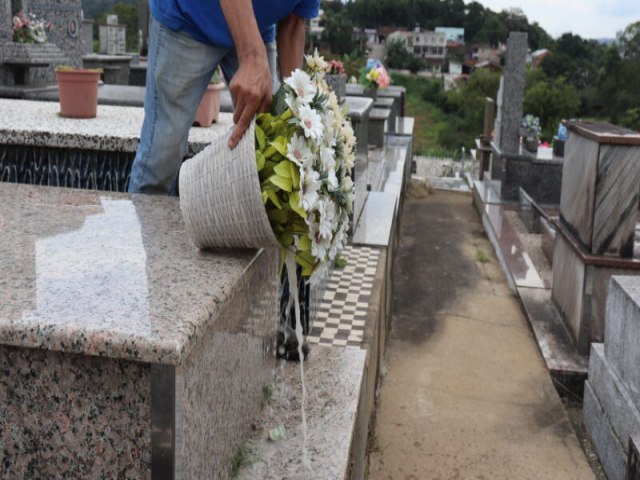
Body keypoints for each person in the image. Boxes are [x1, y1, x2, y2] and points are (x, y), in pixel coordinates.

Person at [128, 0, 320, 195]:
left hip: (256, 26)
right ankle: (144, 223)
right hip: (188, 18)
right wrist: (252, 55)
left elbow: (294, 22)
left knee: (267, 148)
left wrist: (295, 106)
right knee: (161, 158)